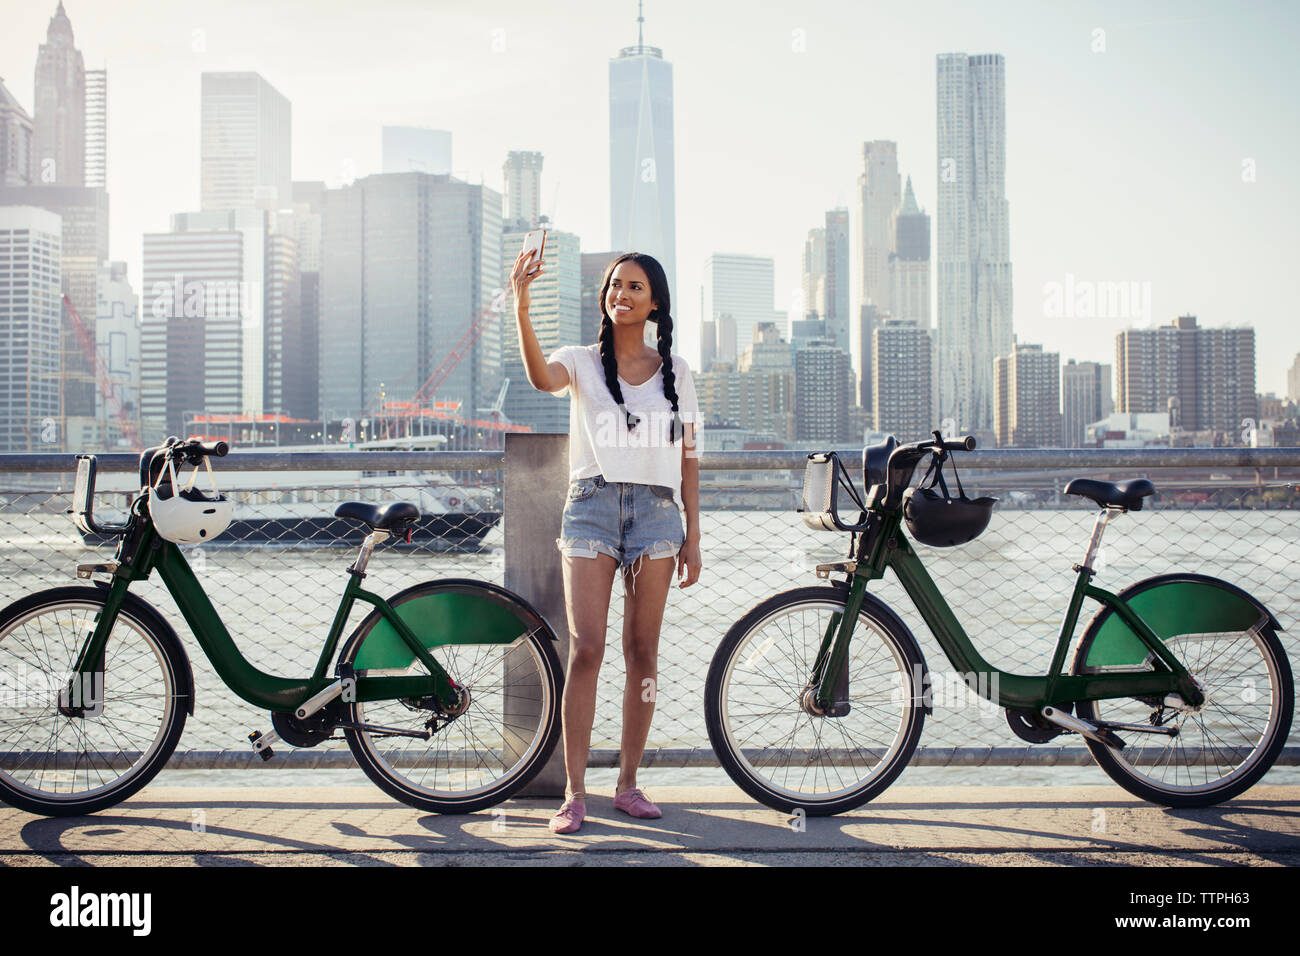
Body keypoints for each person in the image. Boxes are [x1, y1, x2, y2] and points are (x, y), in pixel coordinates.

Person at [510, 244, 702, 834]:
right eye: (616, 285)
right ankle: (574, 792)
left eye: (635, 287)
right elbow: (542, 381)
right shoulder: (581, 361)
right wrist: (522, 301)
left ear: (655, 303)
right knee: (586, 647)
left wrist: (694, 536)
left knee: (642, 652)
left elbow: (690, 459)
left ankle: (628, 783)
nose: (622, 294)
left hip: (657, 516)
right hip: (591, 508)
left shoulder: (679, 372)